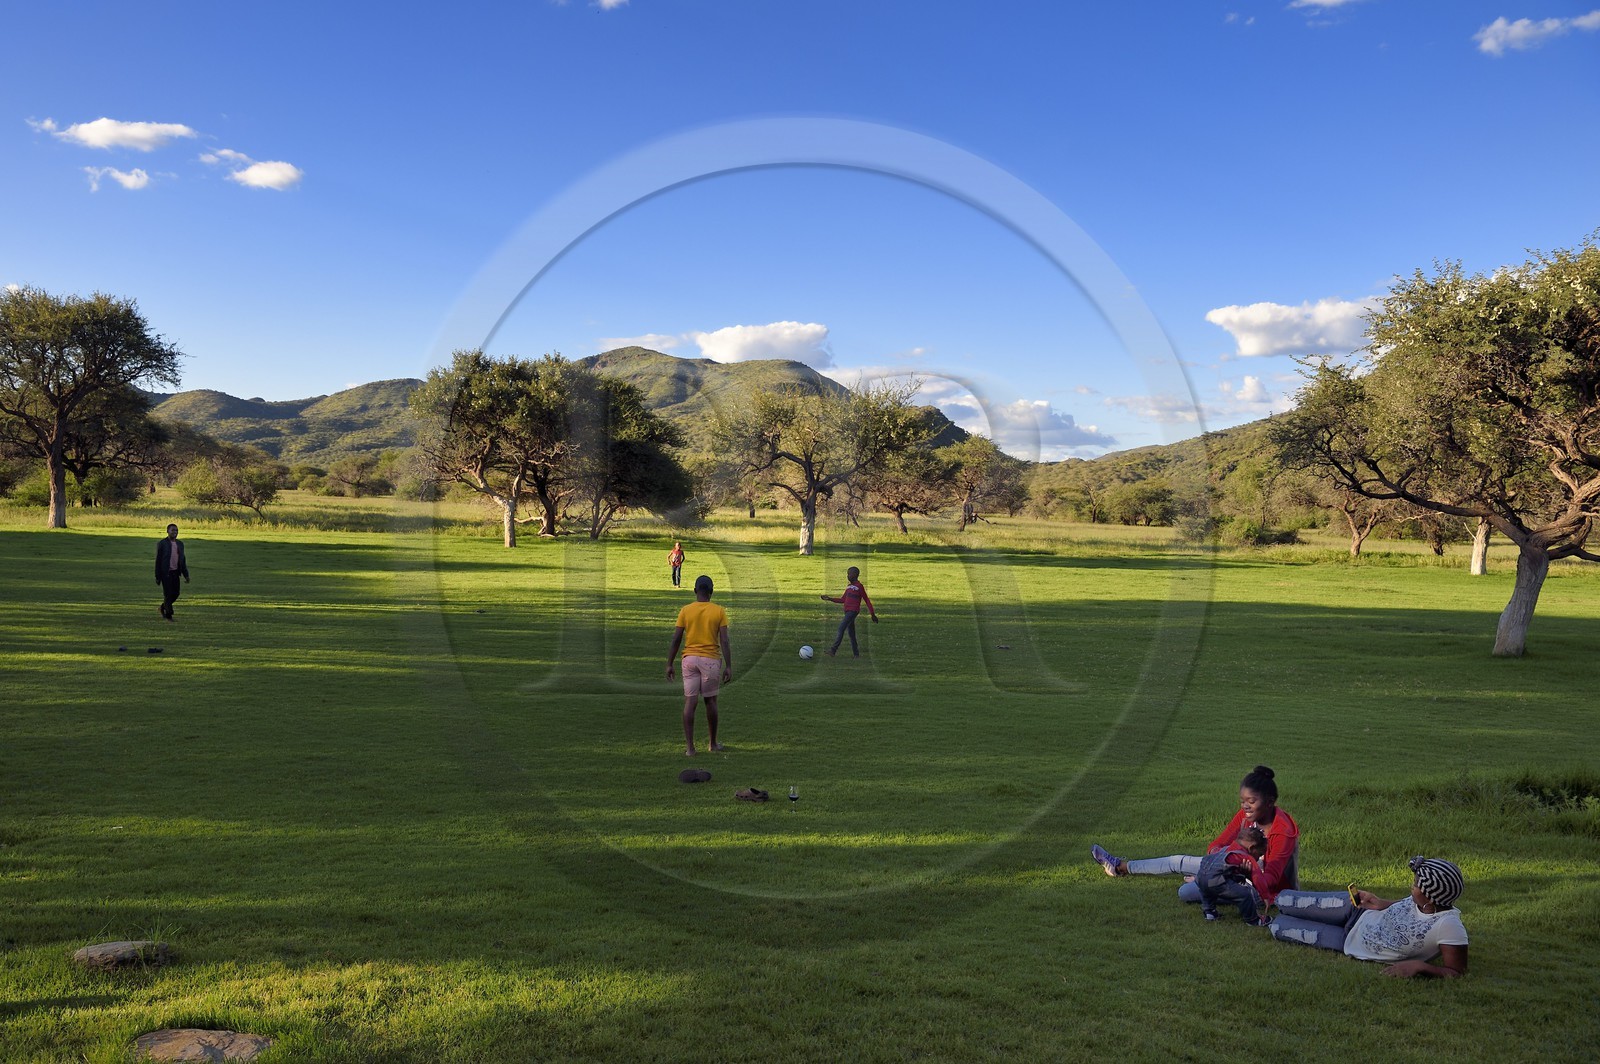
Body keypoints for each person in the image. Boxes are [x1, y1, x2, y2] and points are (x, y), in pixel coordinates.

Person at [1090, 765, 1300, 908]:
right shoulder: (1246, 816)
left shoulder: (1283, 831)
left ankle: (1202, 880)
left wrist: (1242, 866)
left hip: (1260, 891)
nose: (1245, 806)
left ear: (1270, 802)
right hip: (1231, 869)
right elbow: (1216, 845)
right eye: (1242, 800)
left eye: (1251, 801)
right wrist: (1220, 858)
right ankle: (1120, 867)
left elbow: (1271, 881)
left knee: (1186, 892)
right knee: (1177, 861)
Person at [1268, 856, 1468, 978]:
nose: (1412, 886)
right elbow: (1403, 908)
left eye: (1415, 884)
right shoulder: (1422, 901)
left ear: (1430, 898)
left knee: (1278, 927)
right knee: (1285, 900)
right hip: (1357, 911)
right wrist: (1380, 903)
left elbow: (1456, 972)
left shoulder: (1449, 926)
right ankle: (1263, 900)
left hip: (1348, 941)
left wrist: (1420, 966)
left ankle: (1266, 918)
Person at [665, 574, 732, 757]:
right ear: (711, 592)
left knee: (690, 702)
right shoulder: (719, 611)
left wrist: (669, 663)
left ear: (695, 591)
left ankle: (690, 748)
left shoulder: (685, 610)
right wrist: (728, 666)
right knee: (710, 701)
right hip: (710, 661)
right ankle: (712, 743)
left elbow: (676, 638)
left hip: (689, 661)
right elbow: (724, 641)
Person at [1195, 825, 1268, 923]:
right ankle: (1253, 920)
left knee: (1207, 894)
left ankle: (1210, 912)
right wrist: (1266, 896)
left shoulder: (1225, 849)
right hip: (1216, 882)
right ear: (1252, 847)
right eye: (1259, 854)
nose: (1259, 858)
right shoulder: (1244, 856)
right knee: (1244, 894)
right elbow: (1257, 877)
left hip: (1200, 878)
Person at [820, 565, 877, 657]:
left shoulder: (859, 586)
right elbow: (842, 600)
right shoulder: (849, 587)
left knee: (841, 628)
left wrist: (872, 614)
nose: (847, 576)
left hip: (853, 611)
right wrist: (830, 598)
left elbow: (867, 600)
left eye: (849, 574)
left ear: (855, 575)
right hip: (847, 612)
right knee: (851, 634)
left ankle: (833, 650)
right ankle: (856, 655)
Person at [154, 523, 190, 622]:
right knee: (168, 594)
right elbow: (158, 561)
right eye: (173, 530)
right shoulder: (162, 543)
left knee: (176, 593)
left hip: (175, 572)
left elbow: (182, 560)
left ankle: (162, 607)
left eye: (176, 530)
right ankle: (169, 615)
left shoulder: (180, 544)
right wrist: (158, 576)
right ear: (167, 531)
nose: (175, 532)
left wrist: (186, 574)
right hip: (166, 573)